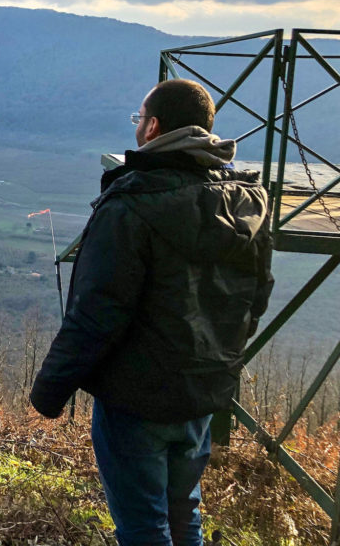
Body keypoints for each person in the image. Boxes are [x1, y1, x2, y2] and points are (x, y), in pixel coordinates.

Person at [29, 79, 274, 546]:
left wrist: (49, 390)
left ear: (153, 127)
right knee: (184, 515)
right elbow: (257, 296)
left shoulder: (131, 206)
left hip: (137, 399)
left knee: (143, 528)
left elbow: (96, 313)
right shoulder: (246, 201)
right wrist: (217, 361)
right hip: (201, 392)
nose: (138, 126)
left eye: (139, 118)